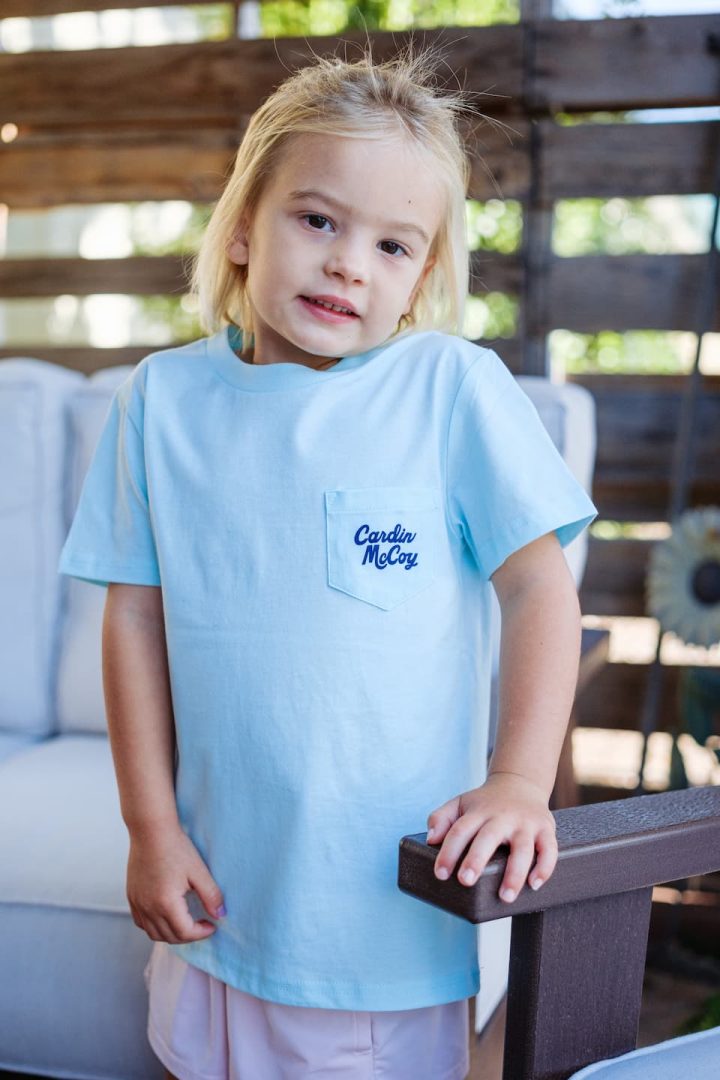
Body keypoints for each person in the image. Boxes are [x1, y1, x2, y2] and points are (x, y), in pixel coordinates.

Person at [58, 42, 597, 1080]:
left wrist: (521, 779)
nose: (351, 261)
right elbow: (132, 619)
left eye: (395, 247)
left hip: (379, 934)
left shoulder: (450, 389)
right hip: (213, 900)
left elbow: (539, 588)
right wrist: (149, 828)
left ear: (422, 279)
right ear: (245, 225)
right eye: (319, 220)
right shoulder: (160, 402)